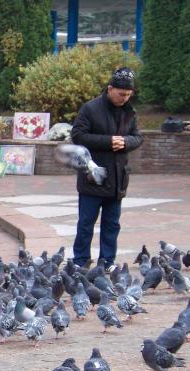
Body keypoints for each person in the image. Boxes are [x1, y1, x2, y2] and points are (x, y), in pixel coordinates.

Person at [71, 67, 143, 273]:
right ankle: (80, 260)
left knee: (112, 225)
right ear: (110, 89)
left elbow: (138, 137)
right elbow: (78, 136)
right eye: (121, 94)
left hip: (118, 178)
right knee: (86, 223)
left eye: (128, 95)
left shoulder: (130, 111)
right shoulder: (90, 108)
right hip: (93, 175)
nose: (124, 98)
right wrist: (109, 142)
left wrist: (127, 142)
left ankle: (108, 261)